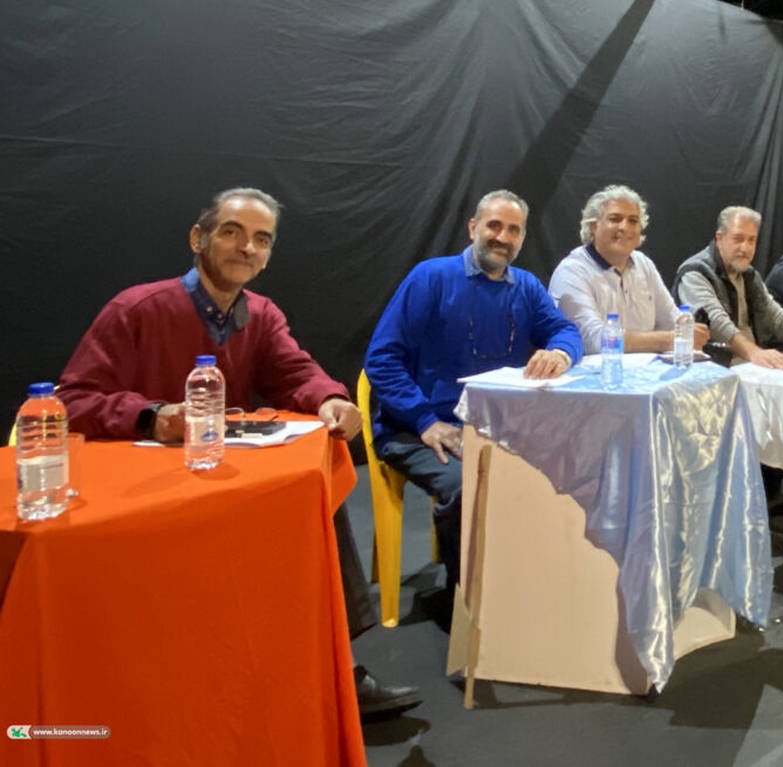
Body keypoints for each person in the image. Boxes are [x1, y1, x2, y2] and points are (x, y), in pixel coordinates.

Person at [56, 187, 420, 717]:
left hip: (217, 473)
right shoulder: (137, 308)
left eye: (261, 239)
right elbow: (72, 400)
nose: (247, 247)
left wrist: (331, 400)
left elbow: (294, 372)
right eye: (232, 232)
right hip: (141, 485)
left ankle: (331, 667)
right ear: (198, 238)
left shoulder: (261, 315)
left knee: (311, 491)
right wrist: (151, 416)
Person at [364, 189, 583, 586]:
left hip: (494, 425)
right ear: (472, 228)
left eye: (514, 230)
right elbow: (381, 359)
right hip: (418, 429)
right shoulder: (430, 278)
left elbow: (565, 330)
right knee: (469, 486)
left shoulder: (527, 286)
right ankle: (466, 601)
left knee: (571, 465)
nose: (502, 237)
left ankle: (529, 586)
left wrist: (561, 354)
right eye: (494, 225)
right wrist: (424, 420)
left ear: (522, 237)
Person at [548, 185, 709, 353]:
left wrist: (688, 328)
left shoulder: (644, 264)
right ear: (594, 226)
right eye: (615, 219)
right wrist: (670, 339)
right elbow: (592, 341)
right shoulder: (572, 271)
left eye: (633, 221)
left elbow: (672, 321)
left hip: (648, 367)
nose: (624, 227)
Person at [673, 206, 783, 369]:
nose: (745, 248)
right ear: (720, 238)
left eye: (751, 240)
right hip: (714, 369)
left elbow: (776, 317)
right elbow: (717, 323)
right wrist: (755, 353)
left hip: (750, 364)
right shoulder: (695, 272)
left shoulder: (749, 274)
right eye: (738, 239)